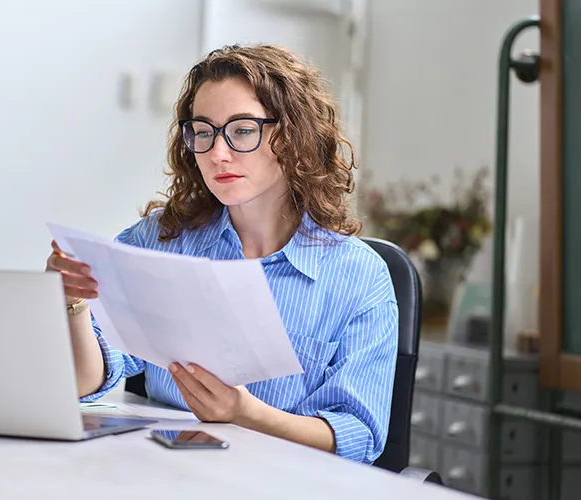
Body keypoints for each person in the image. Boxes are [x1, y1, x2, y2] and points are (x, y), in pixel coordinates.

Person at [46, 44, 398, 464]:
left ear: (292, 136)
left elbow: (359, 435)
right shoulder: (159, 240)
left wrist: (246, 414)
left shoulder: (360, 275)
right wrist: (74, 304)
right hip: (161, 473)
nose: (217, 153)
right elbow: (89, 382)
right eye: (204, 131)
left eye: (242, 129)